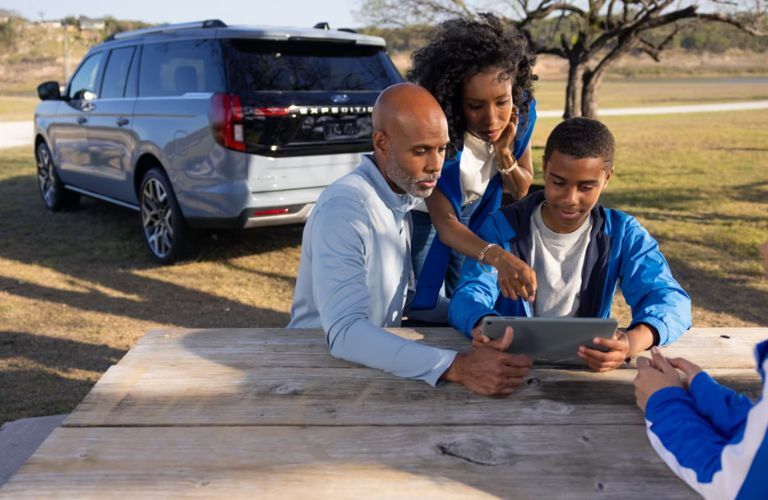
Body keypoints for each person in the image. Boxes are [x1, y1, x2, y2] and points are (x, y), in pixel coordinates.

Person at [288, 83, 532, 396]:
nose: (436, 165)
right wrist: (457, 367)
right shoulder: (346, 208)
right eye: (421, 151)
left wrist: (481, 319)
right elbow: (345, 333)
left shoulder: (397, 196)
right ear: (382, 143)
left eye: (442, 149)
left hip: (372, 367)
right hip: (314, 373)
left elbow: (403, 302)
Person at [449, 117, 692, 372]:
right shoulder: (501, 227)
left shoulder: (622, 233)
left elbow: (671, 301)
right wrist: (483, 324)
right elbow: (468, 294)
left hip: (584, 372)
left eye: (586, 187)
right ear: (544, 167)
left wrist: (629, 343)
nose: (569, 199)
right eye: (558, 182)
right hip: (509, 366)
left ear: (607, 178)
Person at [405, 13, 539, 323]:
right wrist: (498, 257)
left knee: (467, 297)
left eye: (502, 102)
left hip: (475, 213)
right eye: (475, 106)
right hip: (425, 220)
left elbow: (520, 188)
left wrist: (505, 154)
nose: (492, 119)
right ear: (454, 101)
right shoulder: (440, 132)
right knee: (427, 308)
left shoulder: (521, 118)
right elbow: (446, 223)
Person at [632, 240, 768, 498]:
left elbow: (733, 485)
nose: (762, 247)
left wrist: (663, 402)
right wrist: (713, 398)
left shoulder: (621, 231)